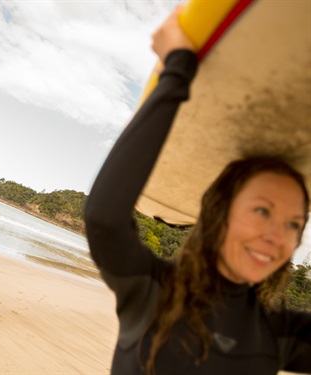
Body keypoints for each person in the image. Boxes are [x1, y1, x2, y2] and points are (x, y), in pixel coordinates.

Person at [84, 6, 311, 375]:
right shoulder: (153, 291)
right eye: (263, 211)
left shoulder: (280, 334)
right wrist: (177, 68)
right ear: (219, 213)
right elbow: (104, 218)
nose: (277, 236)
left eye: (294, 225)